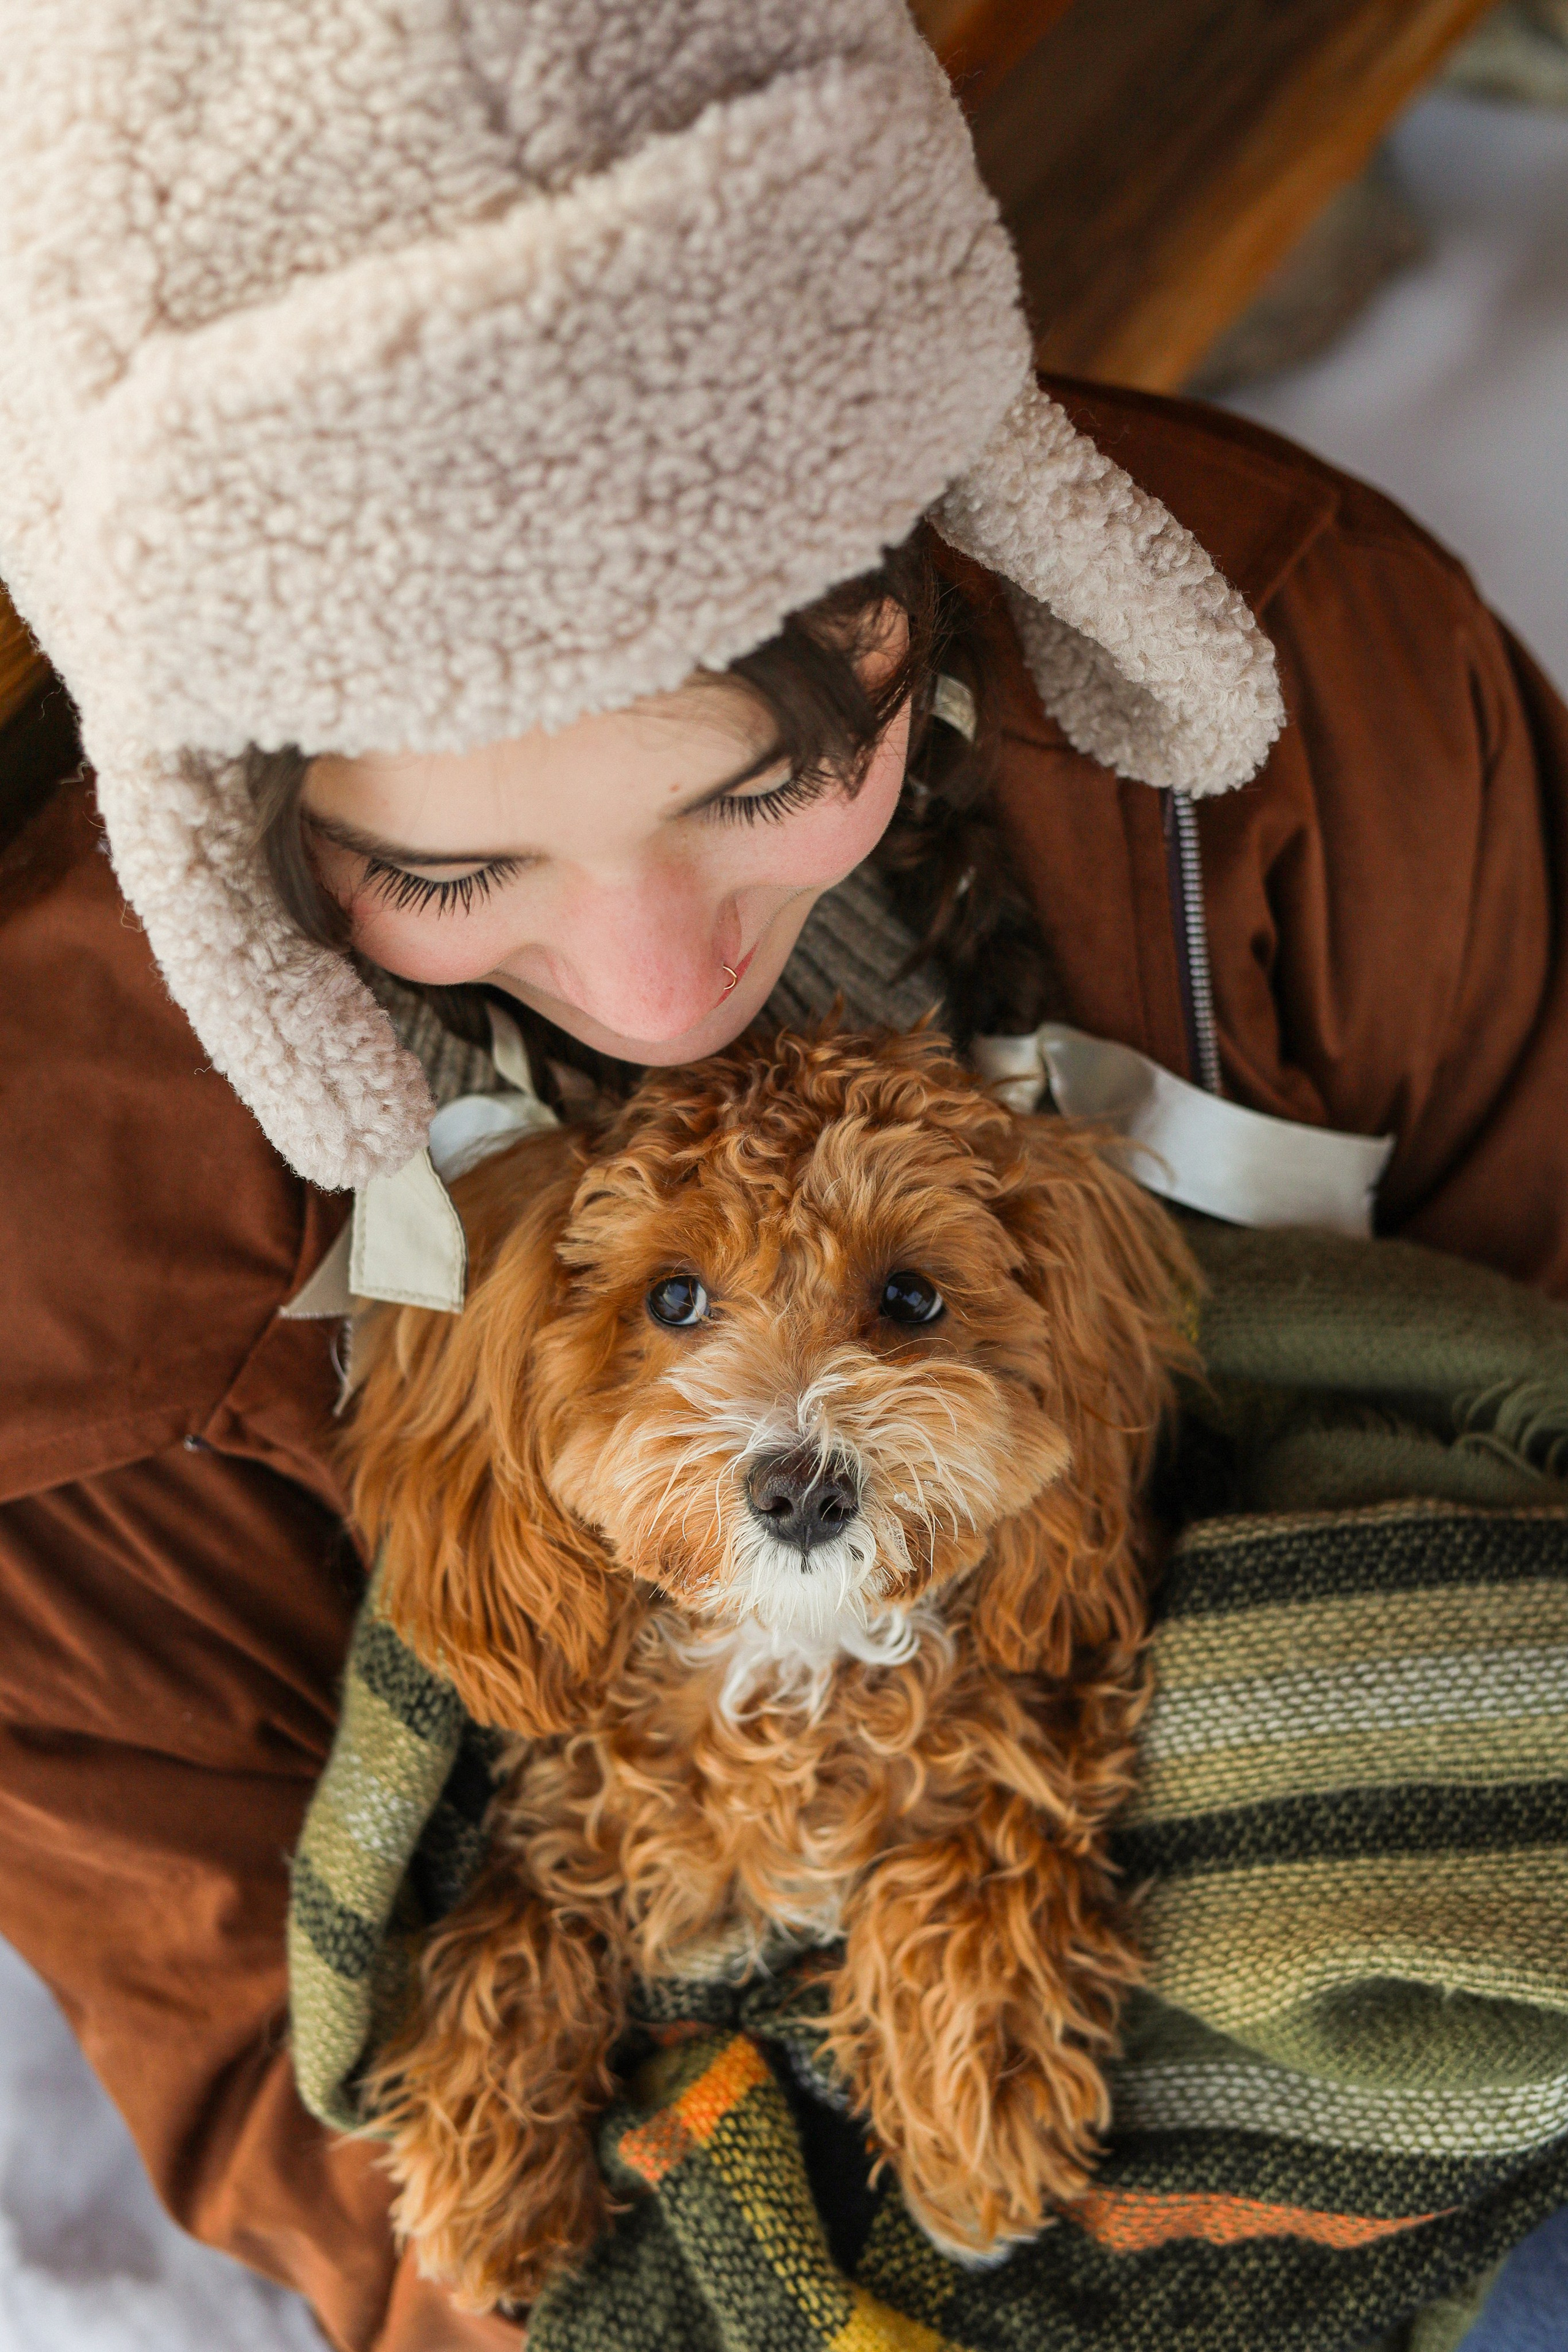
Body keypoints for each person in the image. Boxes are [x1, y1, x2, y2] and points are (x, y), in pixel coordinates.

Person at [1, 4, 1566, 2348]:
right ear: (232, 837)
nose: (651, 988)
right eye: (447, 870)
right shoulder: (66, 1267)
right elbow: (290, 2081)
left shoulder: (1325, 688)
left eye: (760, 787)